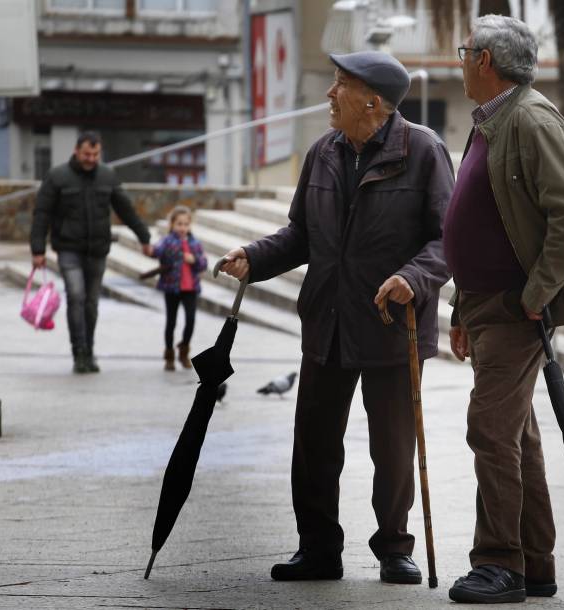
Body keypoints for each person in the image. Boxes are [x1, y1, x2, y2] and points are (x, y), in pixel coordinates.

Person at [219, 51, 454, 585]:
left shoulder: (423, 151)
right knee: (314, 444)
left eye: (340, 86)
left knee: (392, 447)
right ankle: (318, 548)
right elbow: (300, 233)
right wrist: (254, 257)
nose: (329, 95)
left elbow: (448, 240)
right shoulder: (323, 151)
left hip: (394, 324)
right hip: (326, 320)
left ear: (373, 101)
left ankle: (394, 547)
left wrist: (413, 279)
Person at [445, 15, 564, 604]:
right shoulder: (494, 119)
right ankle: (535, 564)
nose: (460, 58)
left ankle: (498, 563)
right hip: (485, 305)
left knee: (491, 431)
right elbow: (479, 218)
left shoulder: (530, 117)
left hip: (513, 308)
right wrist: (459, 308)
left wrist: (536, 294)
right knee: (516, 437)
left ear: (487, 61)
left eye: (465, 50)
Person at [30, 132, 152, 374]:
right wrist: (37, 249)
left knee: (91, 303)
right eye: (87, 154)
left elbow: (125, 209)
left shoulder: (107, 176)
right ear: (77, 151)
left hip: (97, 249)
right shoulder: (58, 176)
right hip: (68, 248)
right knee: (76, 296)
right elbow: (42, 213)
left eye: (96, 154)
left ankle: (90, 349)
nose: (91, 159)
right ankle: (79, 352)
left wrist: (144, 237)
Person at [151, 206, 207, 371]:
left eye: (186, 224)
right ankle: (169, 355)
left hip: (190, 288)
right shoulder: (167, 241)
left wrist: (194, 260)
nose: (182, 228)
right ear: (172, 225)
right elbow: (157, 251)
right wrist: (150, 249)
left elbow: (203, 264)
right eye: (179, 224)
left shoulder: (194, 243)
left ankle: (184, 350)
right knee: (171, 321)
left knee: (190, 320)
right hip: (172, 287)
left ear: (190, 225)